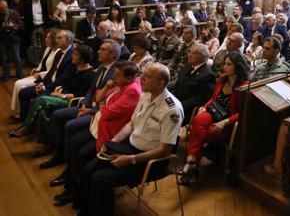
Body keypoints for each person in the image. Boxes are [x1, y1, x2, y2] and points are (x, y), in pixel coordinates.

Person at [74, 63, 183, 216]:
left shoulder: (172, 110)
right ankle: (86, 209)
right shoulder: (146, 94)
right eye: (142, 75)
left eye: (146, 77)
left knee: (100, 178)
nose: (140, 79)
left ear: (160, 83)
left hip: (148, 159)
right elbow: (131, 124)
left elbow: (164, 150)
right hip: (130, 145)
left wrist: (130, 159)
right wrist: (114, 141)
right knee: (88, 168)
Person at [53, 61, 142, 207]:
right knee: (74, 144)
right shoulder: (120, 86)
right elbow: (98, 98)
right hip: (98, 125)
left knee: (81, 153)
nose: (114, 78)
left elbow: (107, 112)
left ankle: (78, 192)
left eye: (118, 75)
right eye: (115, 74)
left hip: (110, 131)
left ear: (129, 78)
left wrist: (103, 106)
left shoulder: (132, 91)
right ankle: (72, 185)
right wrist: (106, 92)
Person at [40, 40, 119, 170]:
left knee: (70, 125)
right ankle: (58, 152)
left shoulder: (115, 73)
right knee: (57, 115)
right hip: (87, 105)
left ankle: (67, 160)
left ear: (112, 55)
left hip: (98, 111)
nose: (98, 51)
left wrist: (90, 109)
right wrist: (83, 104)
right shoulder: (101, 67)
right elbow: (91, 90)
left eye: (103, 49)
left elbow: (108, 100)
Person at [178, 51, 249, 184]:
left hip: (227, 121)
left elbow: (242, 113)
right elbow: (213, 98)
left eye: (229, 64)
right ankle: (192, 166)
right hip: (214, 112)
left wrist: (225, 122)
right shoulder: (222, 78)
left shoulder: (243, 86)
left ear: (237, 67)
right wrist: (204, 107)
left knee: (200, 134)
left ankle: (190, 165)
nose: (225, 67)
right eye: (225, 64)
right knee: (198, 120)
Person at [9, 45, 94, 140]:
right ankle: (41, 137)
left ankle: (27, 127)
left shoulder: (89, 75)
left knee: (41, 99)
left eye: (75, 54)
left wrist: (62, 95)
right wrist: (58, 89)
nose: (72, 56)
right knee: (41, 108)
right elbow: (65, 82)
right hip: (61, 94)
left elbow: (80, 95)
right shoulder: (75, 68)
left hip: (71, 102)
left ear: (82, 59)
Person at [17, 30, 75, 121]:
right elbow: (51, 71)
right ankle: (24, 118)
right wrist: (42, 84)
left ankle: (30, 123)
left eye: (60, 38)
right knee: (23, 93)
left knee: (35, 99)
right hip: (49, 83)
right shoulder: (59, 53)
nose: (56, 40)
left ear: (69, 40)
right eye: (56, 38)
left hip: (57, 87)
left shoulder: (72, 55)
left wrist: (46, 87)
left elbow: (64, 79)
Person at [10, 28, 59, 115]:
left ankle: (24, 112)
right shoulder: (48, 49)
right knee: (17, 83)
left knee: (19, 84)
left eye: (48, 38)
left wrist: (40, 74)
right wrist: (37, 69)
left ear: (54, 40)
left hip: (44, 77)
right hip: (40, 74)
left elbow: (54, 70)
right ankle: (21, 111)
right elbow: (43, 61)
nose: (45, 39)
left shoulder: (58, 52)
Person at [172, 44, 216, 125]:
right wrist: (171, 99)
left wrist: (178, 105)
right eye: (190, 52)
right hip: (174, 104)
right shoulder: (186, 67)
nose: (189, 55)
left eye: (194, 53)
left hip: (187, 110)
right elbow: (176, 87)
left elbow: (200, 99)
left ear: (203, 56)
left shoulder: (208, 75)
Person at [23, 0, 49, 64]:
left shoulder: (44, 3)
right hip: (33, 27)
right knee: (35, 47)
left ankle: (45, 62)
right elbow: (26, 17)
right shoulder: (27, 3)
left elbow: (46, 15)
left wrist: (46, 26)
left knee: (45, 45)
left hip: (42, 26)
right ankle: (37, 63)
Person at [0, 0, 24, 80]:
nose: (4, 10)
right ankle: (6, 75)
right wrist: (2, 26)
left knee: (17, 57)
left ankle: (20, 74)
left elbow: (21, 25)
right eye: (2, 9)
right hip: (2, 39)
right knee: (4, 58)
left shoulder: (14, 13)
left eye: (5, 7)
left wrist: (13, 25)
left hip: (14, 38)